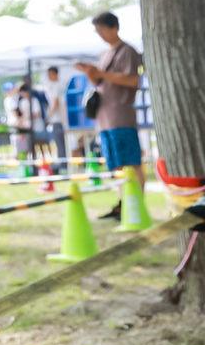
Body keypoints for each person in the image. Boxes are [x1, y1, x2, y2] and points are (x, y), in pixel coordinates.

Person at [76, 12, 145, 205]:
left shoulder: (127, 51)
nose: (100, 34)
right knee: (115, 162)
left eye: (102, 29)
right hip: (104, 116)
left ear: (114, 27)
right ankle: (123, 201)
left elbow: (132, 79)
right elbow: (98, 81)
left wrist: (101, 74)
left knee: (131, 160)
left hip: (121, 114)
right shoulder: (105, 54)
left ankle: (136, 202)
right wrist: (91, 73)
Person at [39, 66, 70, 172]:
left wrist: (48, 116)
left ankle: (63, 166)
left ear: (55, 74)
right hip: (60, 120)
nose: (48, 77)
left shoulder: (57, 86)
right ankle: (62, 165)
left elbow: (55, 103)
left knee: (60, 144)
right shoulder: (59, 86)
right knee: (60, 144)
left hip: (58, 120)